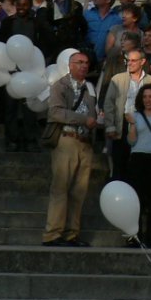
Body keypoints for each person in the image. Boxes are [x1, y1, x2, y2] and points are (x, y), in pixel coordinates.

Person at [43, 51, 98, 246]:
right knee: (60, 188)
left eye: (86, 63)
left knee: (79, 191)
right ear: (70, 65)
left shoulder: (90, 87)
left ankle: (72, 233)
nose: (84, 66)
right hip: (66, 138)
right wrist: (84, 120)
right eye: (79, 62)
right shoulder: (61, 85)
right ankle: (53, 233)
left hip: (85, 142)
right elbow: (55, 112)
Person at [123, 83, 151, 246]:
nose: (148, 100)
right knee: (136, 200)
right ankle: (134, 236)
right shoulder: (134, 116)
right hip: (138, 158)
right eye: (144, 97)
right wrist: (133, 125)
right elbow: (131, 141)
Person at [103, 49, 151, 178]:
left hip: (142, 127)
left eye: (134, 60)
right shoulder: (117, 79)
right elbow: (109, 103)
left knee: (138, 167)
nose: (130, 63)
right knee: (119, 165)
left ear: (142, 61)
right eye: (128, 60)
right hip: (122, 125)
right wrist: (110, 125)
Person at [0, 0, 40, 151]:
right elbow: (0, 44)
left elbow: (46, 41)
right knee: (10, 107)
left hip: (30, 71)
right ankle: (12, 139)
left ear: (30, 6)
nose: (22, 8)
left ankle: (30, 140)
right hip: (11, 70)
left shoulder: (36, 23)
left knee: (29, 108)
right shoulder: (8, 23)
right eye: (19, 4)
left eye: (25, 5)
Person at [83, 0, 121, 65]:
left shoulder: (117, 19)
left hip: (106, 61)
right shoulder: (87, 14)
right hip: (86, 58)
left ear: (108, 0)